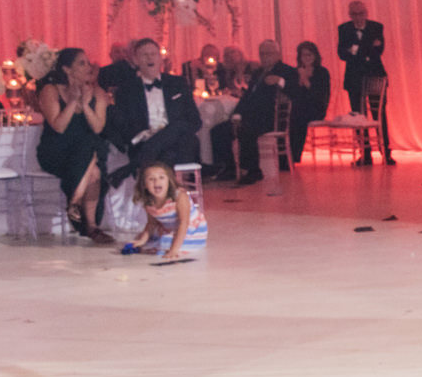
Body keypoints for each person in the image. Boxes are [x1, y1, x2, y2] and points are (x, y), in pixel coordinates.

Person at [36, 47, 115, 245]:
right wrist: (73, 101)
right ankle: (88, 221)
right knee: (91, 159)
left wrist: (86, 105)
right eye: (81, 63)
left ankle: (83, 216)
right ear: (67, 69)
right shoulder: (51, 90)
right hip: (57, 151)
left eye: (88, 62)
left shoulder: (97, 93)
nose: (88, 67)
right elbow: (59, 126)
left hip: (87, 152)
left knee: (92, 162)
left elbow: (97, 128)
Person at [106, 39, 203, 180]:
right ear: (136, 60)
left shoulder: (177, 83)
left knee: (180, 131)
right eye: (144, 55)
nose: (150, 58)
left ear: (160, 58)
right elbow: (123, 125)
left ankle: (133, 167)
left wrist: (169, 132)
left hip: (177, 140)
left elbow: (195, 121)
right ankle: (174, 196)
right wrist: (142, 136)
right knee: (169, 154)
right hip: (145, 140)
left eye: (153, 54)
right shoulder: (126, 90)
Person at [208, 40, 295, 185]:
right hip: (250, 116)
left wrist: (280, 81)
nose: (265, 57)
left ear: (277, 54)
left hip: (269, 118)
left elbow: (294, 92)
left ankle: (252, 170)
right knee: (218, 131)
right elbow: (247, 96)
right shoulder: (259, 72)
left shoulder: (286, 71)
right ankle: (228, 167)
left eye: (269, 53)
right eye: (262, 54)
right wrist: (237, 114)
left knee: (246, 129)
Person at [337, 1, 391, 167]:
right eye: (354, 14)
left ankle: (386, 153)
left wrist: (355, 49)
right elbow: (341, 53)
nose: (358, 17)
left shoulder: (376, 27)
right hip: (354, 78)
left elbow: (378, 51)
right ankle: (365, 154)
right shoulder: (344, 29)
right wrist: (367, 48)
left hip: (375, 75)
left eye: (361, 13)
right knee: (358, 116)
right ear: (350, 15)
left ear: (366, 13)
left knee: (379, 114)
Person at [124, 160, 193, 262]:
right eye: (151, 179)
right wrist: (142, 240)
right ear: (144, 185)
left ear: (169, 181)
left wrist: (174, 250)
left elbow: (184, 222)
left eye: (161, 178)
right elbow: (152, 223)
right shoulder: (149, 201)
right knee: (145, 239)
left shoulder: (180, 196)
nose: (157, 182)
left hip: (187, 229)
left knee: (164, 243)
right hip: (168, 228)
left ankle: (176, 244)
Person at [289, 41, 332, 163]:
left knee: (298, 117)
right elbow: (294, 93)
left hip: (316, 107)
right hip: (300, 107)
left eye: (309, 55)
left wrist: (306, 80)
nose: (306, 58)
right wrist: (299, 81)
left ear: (315, 56)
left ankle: (294, 156)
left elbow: (319, 95)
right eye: (303, 55)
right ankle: (288, 154)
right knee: (292, 115)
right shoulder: (296, 71)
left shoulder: (322, 72)